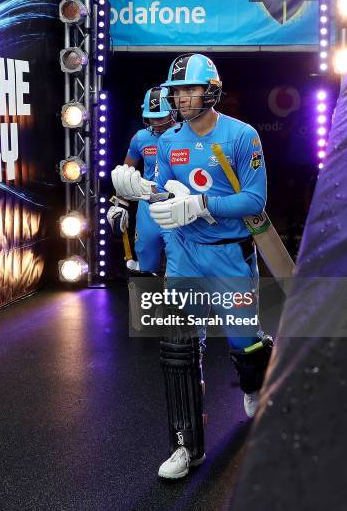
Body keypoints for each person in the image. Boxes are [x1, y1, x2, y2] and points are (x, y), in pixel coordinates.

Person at [112, 54, 273, 479]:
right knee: (179, 347)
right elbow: (166, 195)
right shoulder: (168, 141)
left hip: (228, 252)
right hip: (184, 254)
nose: (180, 98)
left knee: (244, 341)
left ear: (211, 91)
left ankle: (257, 381)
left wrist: (200, 204)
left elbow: (254, 201)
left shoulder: (242, 136)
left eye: (188, 90)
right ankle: (186, 446)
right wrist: (139, 190)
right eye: (176, 91)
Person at [108, 87, 175, 274]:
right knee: (146, 259)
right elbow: (125, 174)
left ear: (173, 111)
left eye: (161, 117)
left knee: (180, 262)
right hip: (148, 205)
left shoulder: (188, 136)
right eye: (151, 118)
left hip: (178, 205)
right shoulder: (140, 138)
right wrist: (120, 205)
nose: (156, 123)